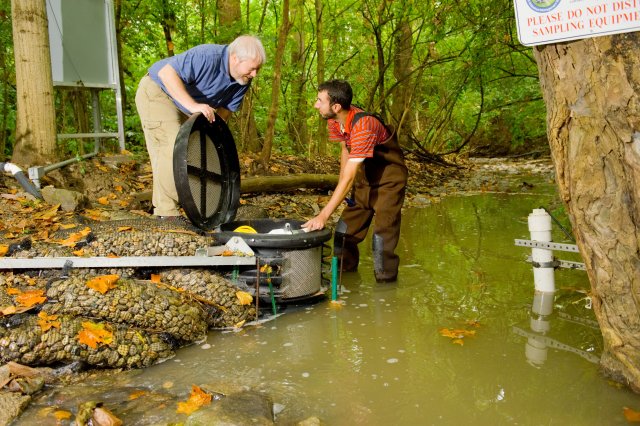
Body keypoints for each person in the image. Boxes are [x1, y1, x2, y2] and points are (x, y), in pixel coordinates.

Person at [135, 35, 266, 219]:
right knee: (172, 147)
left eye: (257, 69)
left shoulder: (242, 80)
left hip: (189, 106)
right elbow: (166, 74)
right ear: (235, 58)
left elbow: (224, 113)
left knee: (198, 151)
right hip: (159, 91)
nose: (254, 74)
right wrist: (193, 106)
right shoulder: (207, 56)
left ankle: (191, 213)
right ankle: (166, 214)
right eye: (252, 68)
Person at [303, 80, 408, 282]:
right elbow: (345, 150)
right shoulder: (335, 121)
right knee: (343, 234)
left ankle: (385, 291)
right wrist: (342, 185)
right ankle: (344, 280)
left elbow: (351, 173)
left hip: (389, 181)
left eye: (319, 100)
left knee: (381, 239)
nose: (316, 105)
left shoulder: (364, 126)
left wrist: (323, 215)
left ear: (335, 106)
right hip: (364, 180)